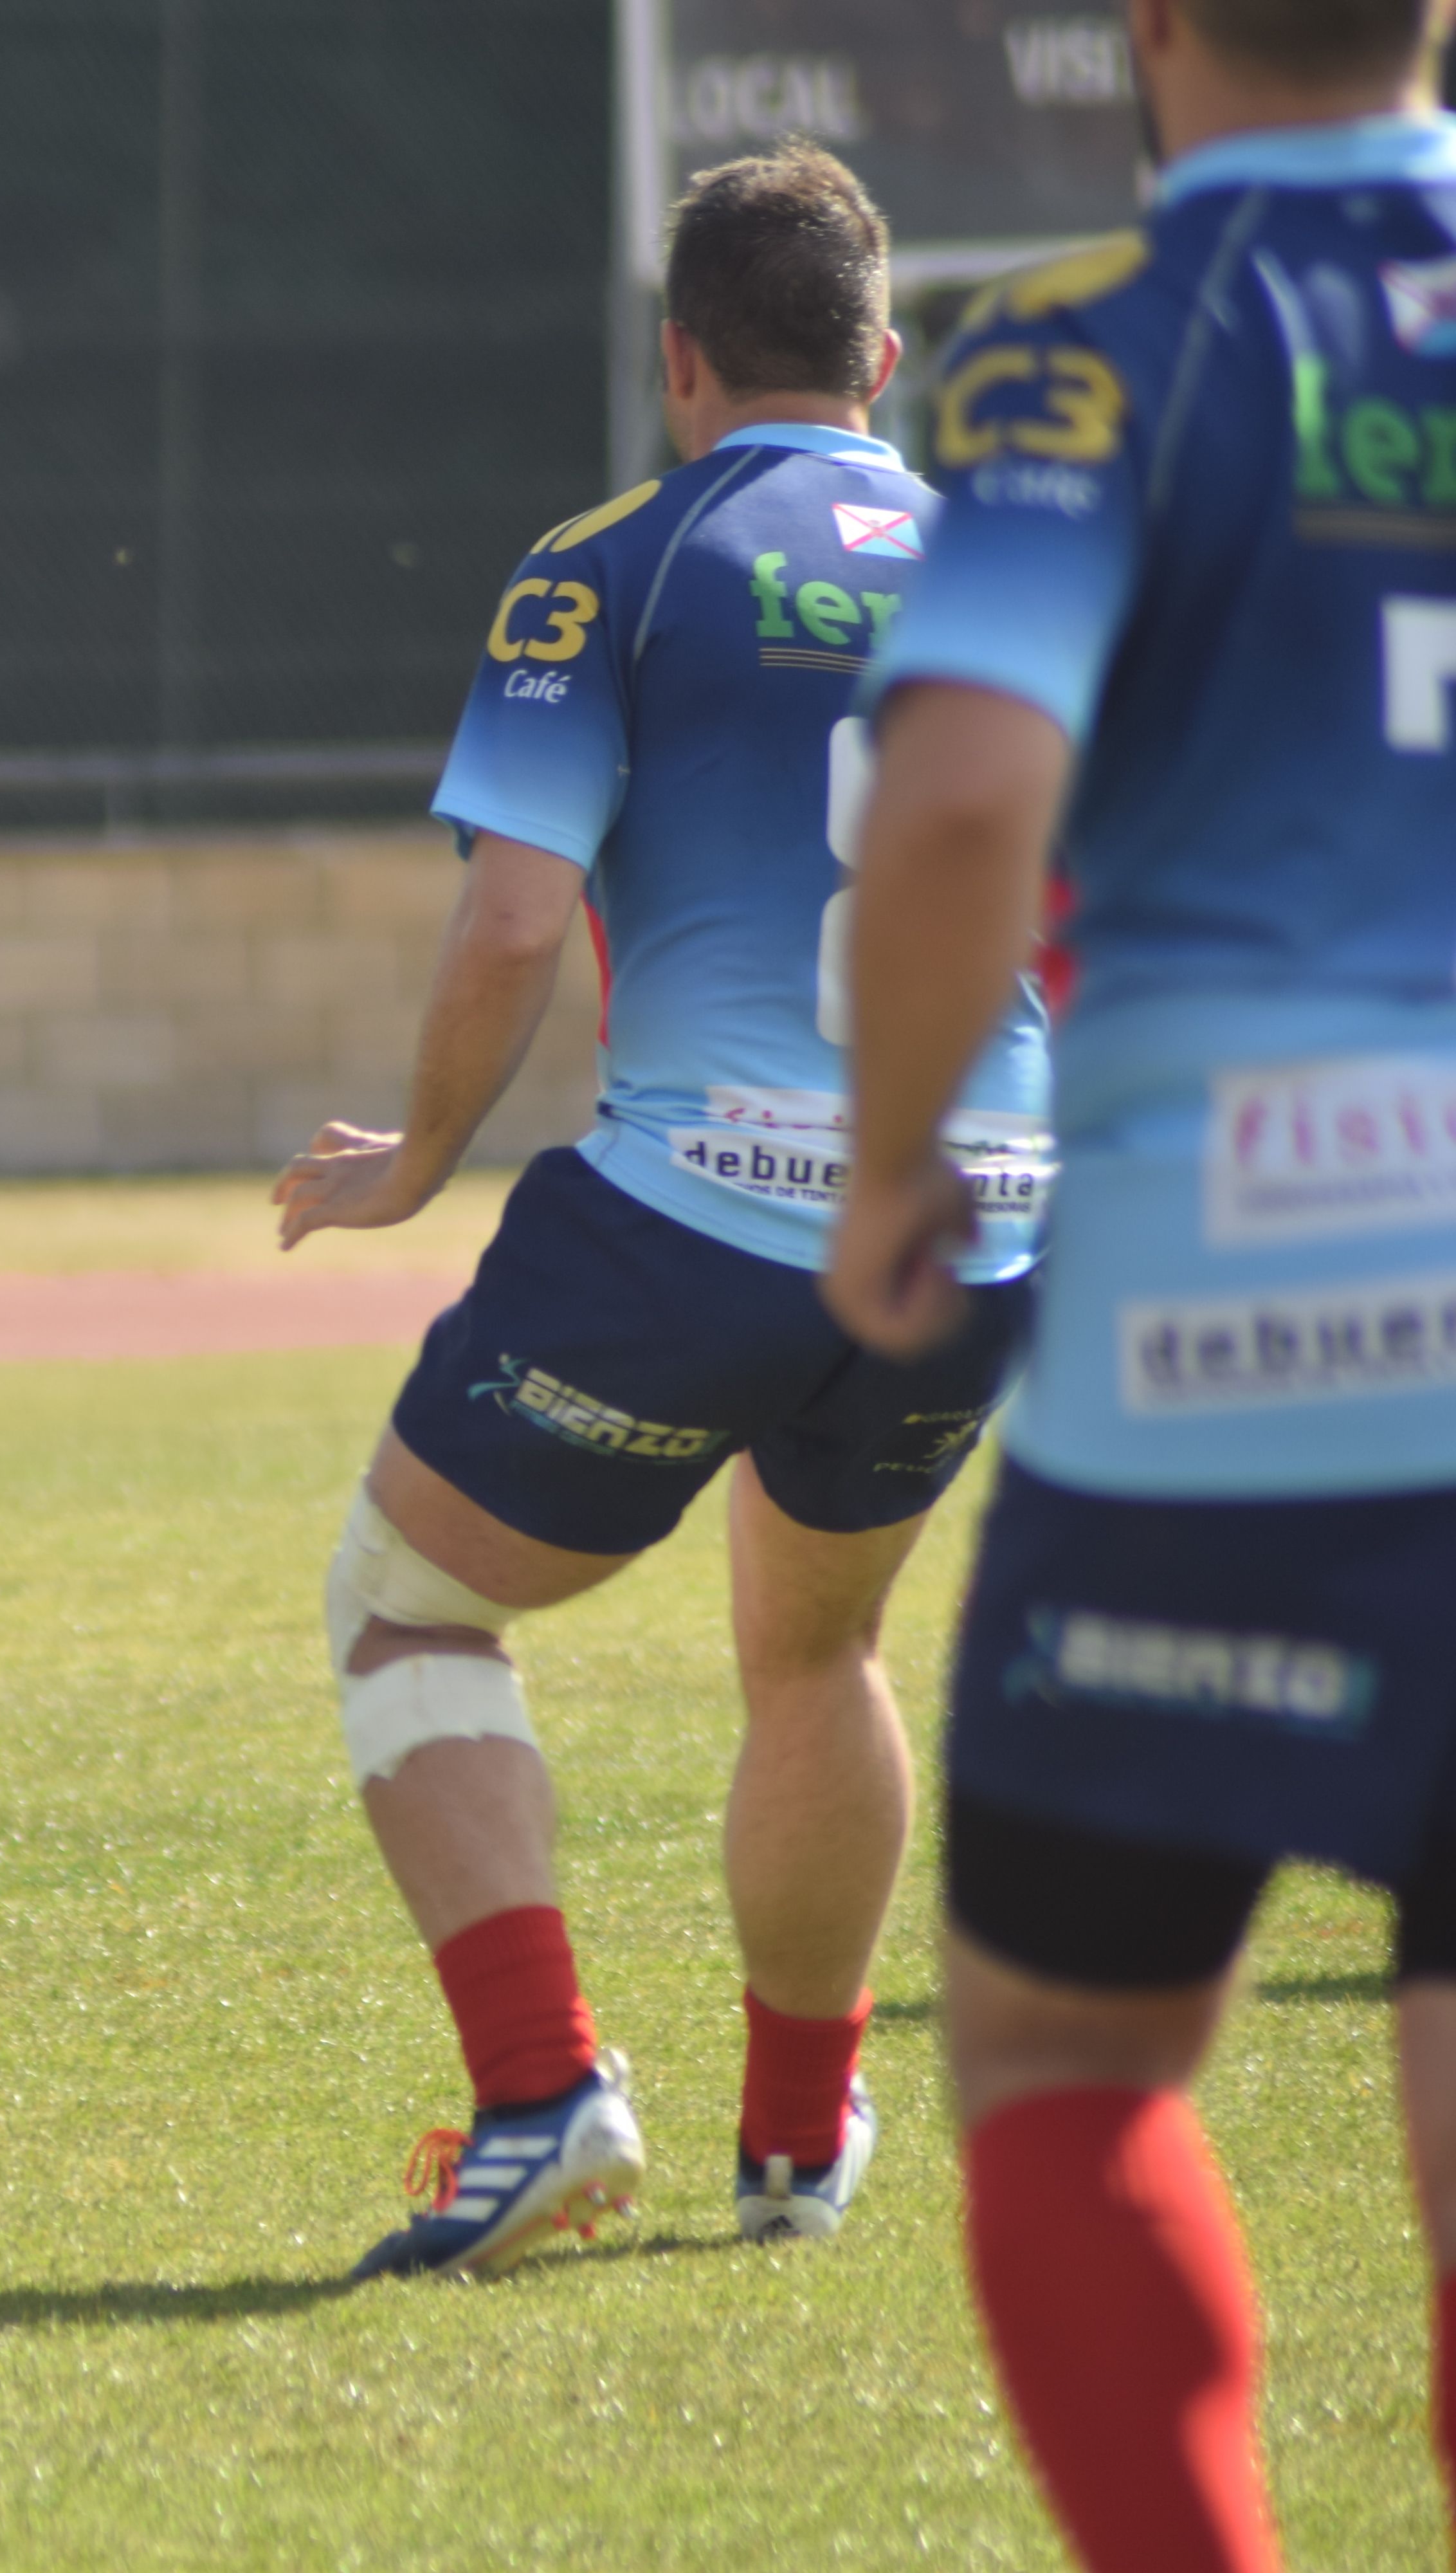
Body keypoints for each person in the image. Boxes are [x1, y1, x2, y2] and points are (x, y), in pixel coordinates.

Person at [274, 145, 1052, 2278]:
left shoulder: (610, 559)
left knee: (408, 1604)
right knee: (821, 1651)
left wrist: (422, 1163)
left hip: (702, 1205)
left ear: (679, 358)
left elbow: (515, 919)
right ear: (886, 360)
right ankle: (800, 2144)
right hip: (978, 1216)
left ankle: (541, 2100)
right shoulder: (1019, 561)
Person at [828, 1, 1456, 2557]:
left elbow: (969, 788)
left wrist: (894, 1167)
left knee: (1072, 2055)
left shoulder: (1077, 356)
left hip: (1216, 1348)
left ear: (1158, 36)